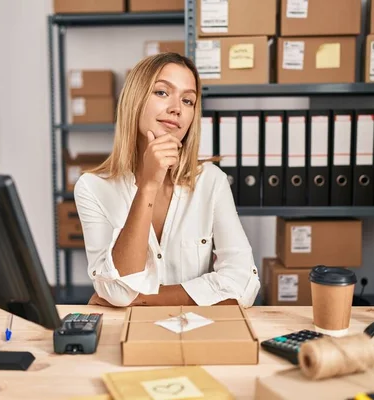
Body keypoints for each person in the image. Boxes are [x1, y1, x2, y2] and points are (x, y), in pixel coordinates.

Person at [73, 52, 260, 308]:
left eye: (188, 100)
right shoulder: (93, 188)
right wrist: (148, 185)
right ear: (134, 100)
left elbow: (243, 284)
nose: (176, 108)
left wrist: (145, 299)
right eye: (162, 92)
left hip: (200, 332)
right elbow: (118, 291)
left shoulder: (211, 181)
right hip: (129, 334)